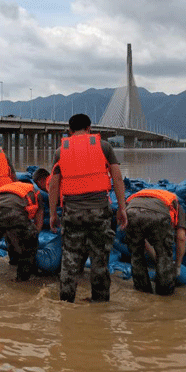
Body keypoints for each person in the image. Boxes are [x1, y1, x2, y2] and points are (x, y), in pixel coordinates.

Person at [48, 113, 127, 303]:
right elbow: (117, 178)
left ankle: (66, 303)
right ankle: (100, 306)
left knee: (70, 260)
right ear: (90, 128)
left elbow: (53, 185)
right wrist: (122, 208)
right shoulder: (104, 147)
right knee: (100, 261)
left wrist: (52, 214)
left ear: (70, 130)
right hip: (99, 212)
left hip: (73, 213)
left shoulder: (60, 151)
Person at [0, 168, 50, 281]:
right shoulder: (35, 192)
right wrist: (33, 236)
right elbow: (39, 221)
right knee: (29, 244)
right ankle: (22, 279)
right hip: (15, 211)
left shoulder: (8, 187)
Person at [124, 188, 186, 296]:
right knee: (164, 255)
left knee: (136, 255)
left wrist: (155, 258)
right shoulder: (174, 202)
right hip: (159, 214)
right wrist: (177, 266)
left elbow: (142, 239)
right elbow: (181, 238)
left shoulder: (140, 195)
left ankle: (142, 292)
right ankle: (164, 295)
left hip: (131, 211)